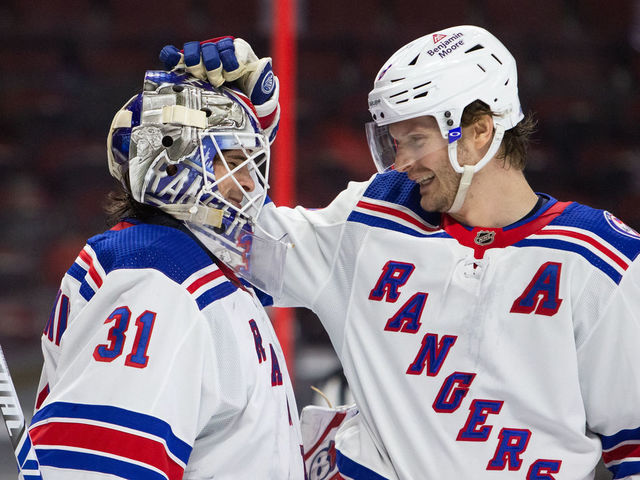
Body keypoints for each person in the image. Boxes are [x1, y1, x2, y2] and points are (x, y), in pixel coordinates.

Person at [162, 25, 640, 479]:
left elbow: (633, 445)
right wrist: (243, 131)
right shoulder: (371, 219)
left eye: (416, 139)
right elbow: (229, 244)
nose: (401, 162)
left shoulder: (602, 261)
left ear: (479, 132)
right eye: (394, 142)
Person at [27, 68, 306, 479]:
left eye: (252, 163)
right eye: (232, 161)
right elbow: (101, 470)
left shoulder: (200, 266)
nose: (250, 183)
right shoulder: (157, 278)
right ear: (170, 166)